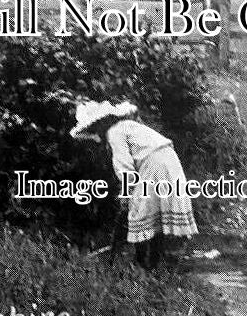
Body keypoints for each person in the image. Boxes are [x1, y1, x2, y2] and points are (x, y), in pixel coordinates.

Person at [70, 100, 198, 269]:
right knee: (154, 215)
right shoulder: (129, 125)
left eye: (97, 127)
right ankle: (152, 263)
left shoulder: (114, 133)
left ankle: (142, 264)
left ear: (106, 121)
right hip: (169, 160)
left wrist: (126, 197)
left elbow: (126, 170)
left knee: (139, 212)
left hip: (154, 164)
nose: (97, 132)